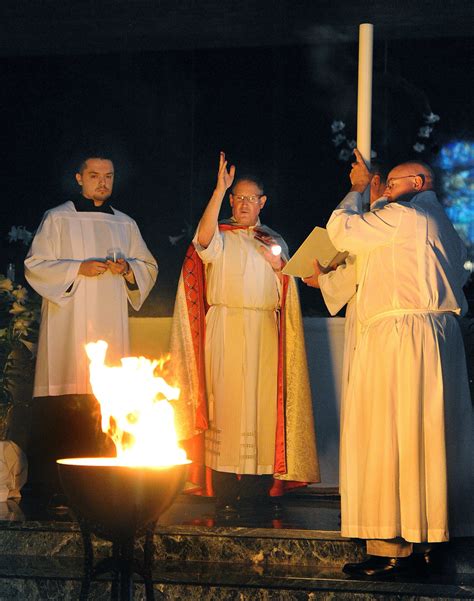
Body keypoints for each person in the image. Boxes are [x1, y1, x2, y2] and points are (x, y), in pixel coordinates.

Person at [326, 148, 474, 577]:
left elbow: (342, 231)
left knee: (393, 433)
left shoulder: (407, 218)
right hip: (434, 337)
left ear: (420, 183)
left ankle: (393, 545)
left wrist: (356, 192)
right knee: (426, 438)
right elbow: (385, 263)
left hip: (400, 338)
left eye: (392, 183)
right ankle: (430, 541)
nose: (384, 189)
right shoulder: (441, 226)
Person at [170, 152, 319, 513]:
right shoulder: (219, 234)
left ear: (262, 202)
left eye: (250, 198)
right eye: (237, 197)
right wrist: (219, 189)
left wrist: (281, 266)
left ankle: (254, 492)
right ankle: (222, 489)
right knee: (224, 403)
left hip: (264, 330)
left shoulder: (273, 239)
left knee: (260, 406)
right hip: (225, 328)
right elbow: (201, 242)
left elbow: (290, 291)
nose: (242, 204)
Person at [24, 154, 158, 498]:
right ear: (79, 178)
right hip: (67, 325)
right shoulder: (57, 218)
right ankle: (55, 489)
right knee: (66, 399)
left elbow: (148, 266)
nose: (102, 182)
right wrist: (76, 270)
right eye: (95, 175)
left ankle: (103, 490)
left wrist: (129, 270)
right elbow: (35, 266)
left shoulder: (125, 224)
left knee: (105, 401)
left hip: (109, 324)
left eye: (108, 176)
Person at [303, 164, 387, 413]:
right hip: (367, 308)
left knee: (371, 390)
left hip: (375, 312)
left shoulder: (384, 218)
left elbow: (359, 270)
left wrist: (324, 281)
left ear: (375, 182)